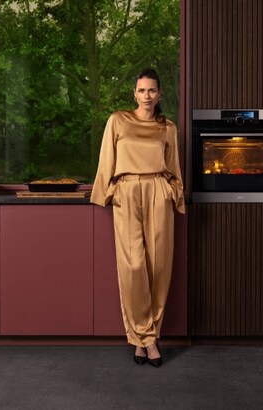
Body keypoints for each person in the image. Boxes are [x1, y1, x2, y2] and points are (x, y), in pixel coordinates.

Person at [90, 68, 185, 367]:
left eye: (152, 91)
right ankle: (141, 336)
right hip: (127, 190)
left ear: (159, 95)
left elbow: (174, 166)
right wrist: (109, 190)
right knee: (133, 266)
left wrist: (173, 191)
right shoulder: (118, 120)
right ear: (134, 93)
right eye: (141, 90)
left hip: (158, 189)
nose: (146, 96)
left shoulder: (167, 127)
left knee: (159, 266)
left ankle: (149, 340)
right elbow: (107, 158)